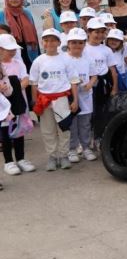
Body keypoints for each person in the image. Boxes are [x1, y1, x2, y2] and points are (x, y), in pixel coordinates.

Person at [30, 29, 78, 172]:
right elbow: (34, 83)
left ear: (58, 42)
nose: (50, 43)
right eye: (46, 40)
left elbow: (73, 81)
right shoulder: (38, 61)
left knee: (64, 128)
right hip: (44, 100)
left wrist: (75, 100)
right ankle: (52, 156)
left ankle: (64, 156)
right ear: (42, 43)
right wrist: (34, 101)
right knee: (47, 130)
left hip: (62, 98)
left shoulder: (66, 59)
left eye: (53, 40)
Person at [0, 34, 34, 176]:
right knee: (6, 132)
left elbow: (26, 79)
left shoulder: (18, 63)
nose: (13, 52)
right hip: (3, 106)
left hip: (18, 100)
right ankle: (9, 161)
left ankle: (21, 159)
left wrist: (14, 89)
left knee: (19, 130)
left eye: (14, 49)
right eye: (9, 49)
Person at [64, 28, 96, 165]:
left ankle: (86, 147)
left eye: (80, 42)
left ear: (84, 44)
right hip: (70, 98)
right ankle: (72, 149)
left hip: (86, 97)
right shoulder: (64, 59)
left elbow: (94, 75)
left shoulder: (88, 59)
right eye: (74, 42)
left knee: (85, 124)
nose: (77, 45)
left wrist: (90, 84)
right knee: (73, 125)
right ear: (68, 43)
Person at [0, 0, 40, 70]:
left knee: (30, 71)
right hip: (10, 49)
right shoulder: (2, 14)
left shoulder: (27, 12)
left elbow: (33, 32)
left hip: (28, 48)